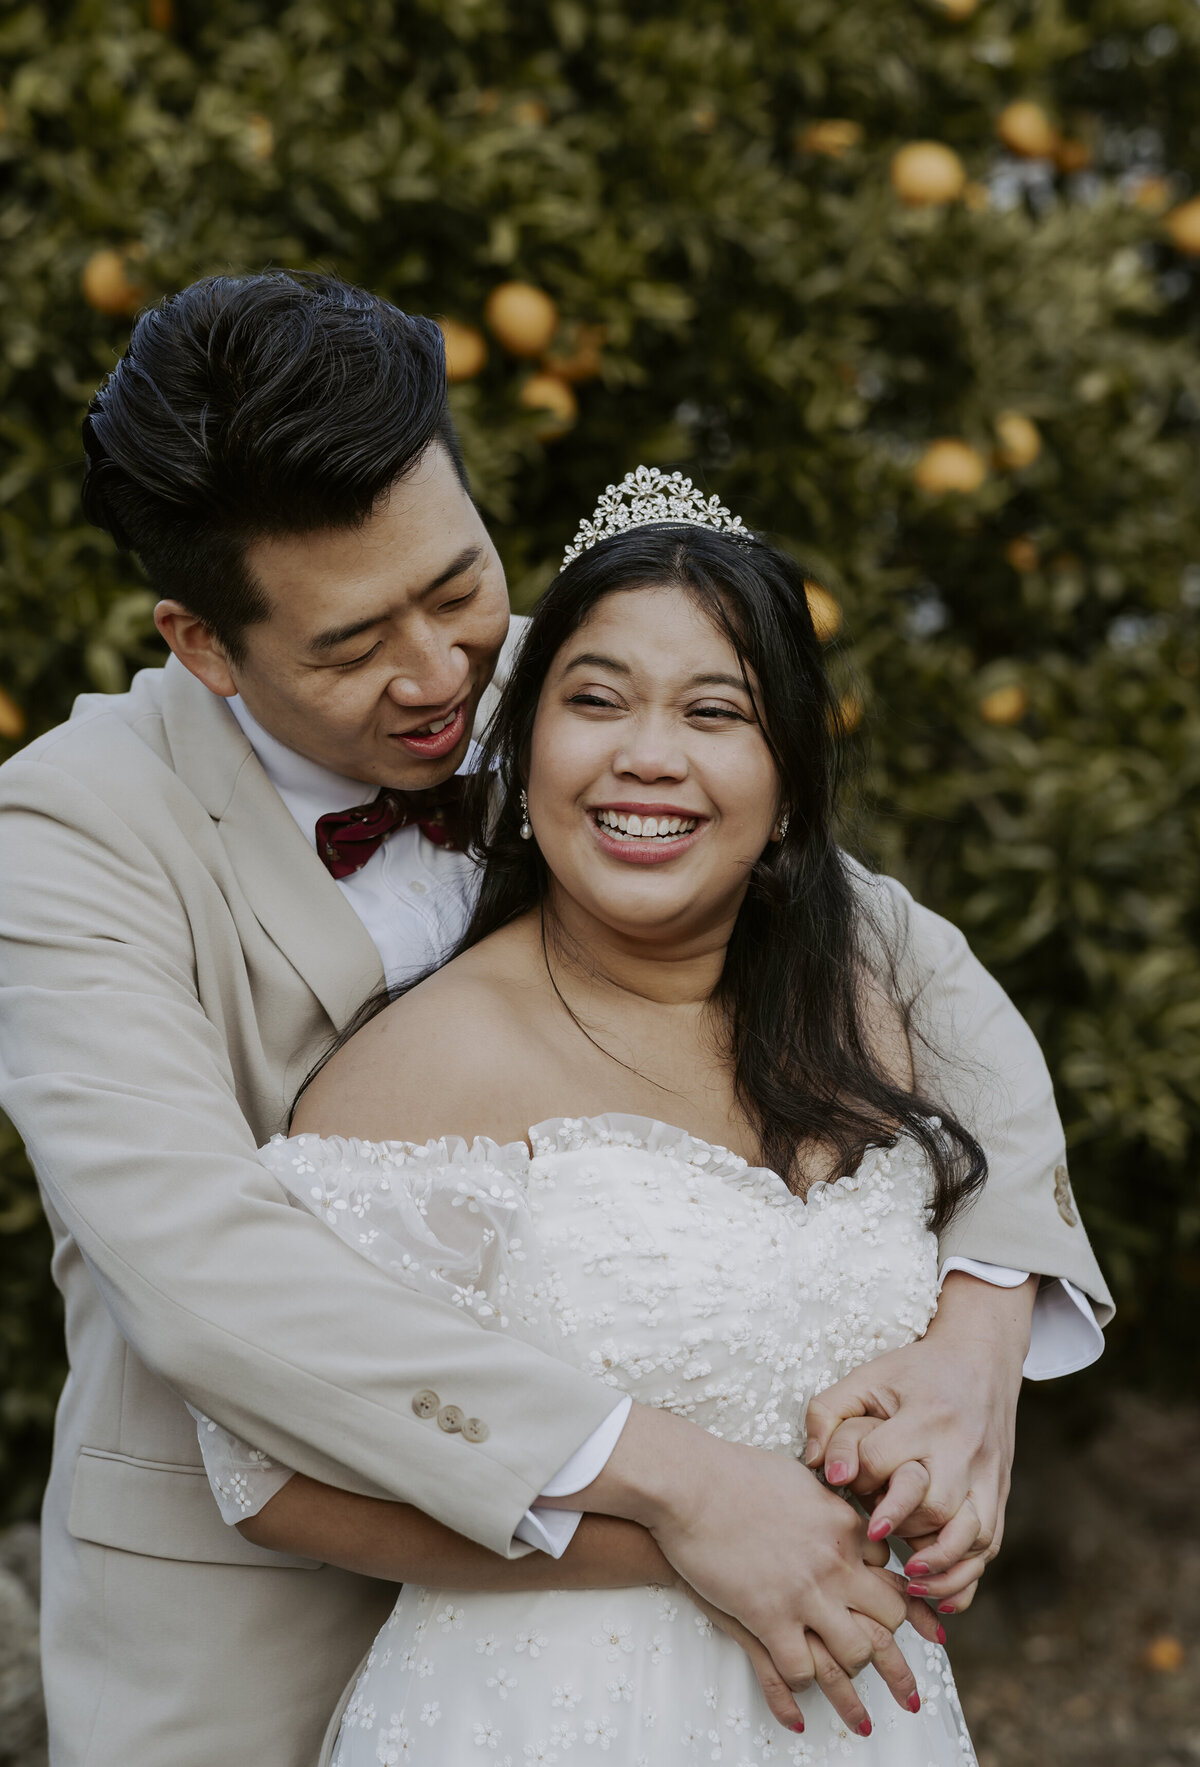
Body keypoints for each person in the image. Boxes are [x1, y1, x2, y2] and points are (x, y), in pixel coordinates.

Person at [0, 274, 1111, 1767]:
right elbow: (200, 1262)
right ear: (204, 642)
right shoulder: (63, 833)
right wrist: (684, 1486)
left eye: (456, 584)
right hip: (250, 1606)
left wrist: (980, 1339)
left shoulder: (587, 697)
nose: (444, 672)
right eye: (350, 645)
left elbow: (918, 968)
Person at [193, 477, 1040, 1762]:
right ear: (523, 754)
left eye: (716, 711)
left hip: (866, 1715)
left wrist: (933, 1463)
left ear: (790, 777)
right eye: (596, 700)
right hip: (538, 1712)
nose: (650, 754)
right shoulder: (429, 1064)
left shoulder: (873, 1004)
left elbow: (1002, 1194)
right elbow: (268, 1474)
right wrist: (675, 1539)